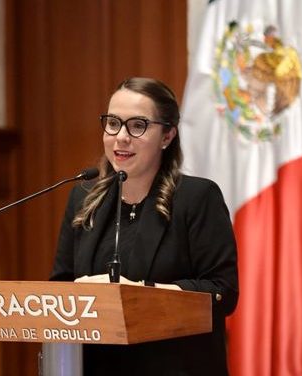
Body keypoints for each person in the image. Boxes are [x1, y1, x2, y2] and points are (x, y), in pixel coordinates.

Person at [50, 77, 238, 375]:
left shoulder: (197, 198)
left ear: (167, 136)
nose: (121, 137)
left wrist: (140, 292)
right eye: (113, 123)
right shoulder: (84, 197)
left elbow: (222, 293)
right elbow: (60, 288)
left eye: (137, 125)